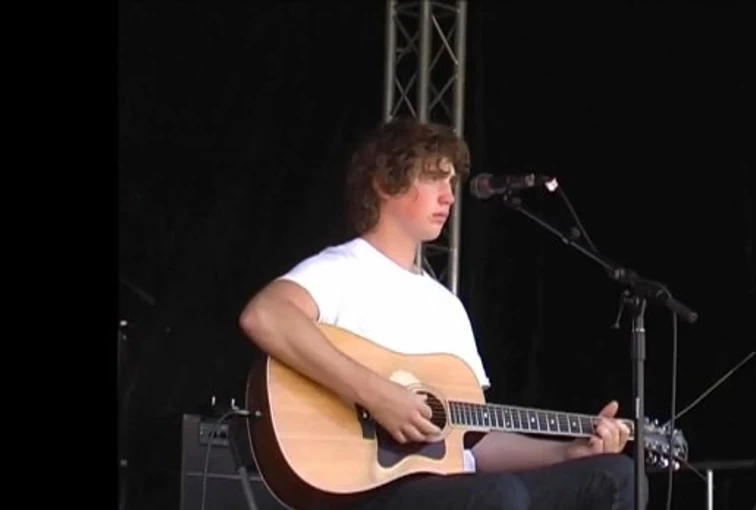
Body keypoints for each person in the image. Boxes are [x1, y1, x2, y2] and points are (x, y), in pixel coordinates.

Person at [238, 118, 647, 509]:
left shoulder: (446, 305)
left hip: (461, 492)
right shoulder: (341, 270)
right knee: (498, 497)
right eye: (434, 178)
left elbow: (474, 441)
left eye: (451, 183)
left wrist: (566, 452)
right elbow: (265, 316)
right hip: (370, 492)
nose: (449, 196)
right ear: (384, 182)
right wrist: (378, 396)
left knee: (619, 477)